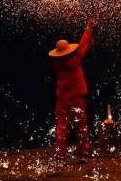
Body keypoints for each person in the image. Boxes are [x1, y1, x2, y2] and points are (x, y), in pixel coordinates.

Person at [49, 18, 96, 161]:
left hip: (62, 100)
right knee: (81, 127)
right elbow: (82, 45)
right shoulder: (75, 60)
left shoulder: (57, 64)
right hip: (76, 99)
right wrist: (89, 27)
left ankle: (59, 156)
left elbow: (83, 47)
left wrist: (88, 43)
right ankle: (83, 155)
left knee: (61, 128)